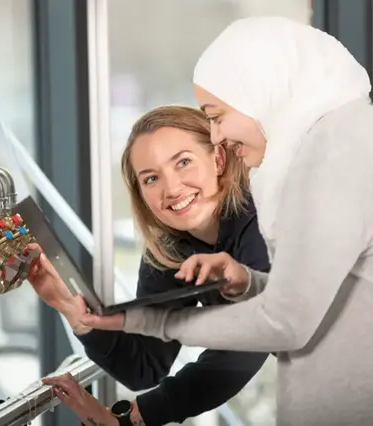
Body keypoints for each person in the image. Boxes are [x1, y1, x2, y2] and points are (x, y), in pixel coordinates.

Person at [78, 16, 373, 426]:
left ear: (261, 94)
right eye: (151, 178)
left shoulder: (333, 157)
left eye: (217, 116)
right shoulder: (323, 151)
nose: (217, 137)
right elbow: (306, 304)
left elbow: (282, 324)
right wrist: (245, 283)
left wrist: (146, 326)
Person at [27, 105, 271, 426]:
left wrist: (129, 419)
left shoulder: (265, 217)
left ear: (218, 159)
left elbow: (245, 344)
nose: (171, 189)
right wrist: (75, 313)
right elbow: (144, 365)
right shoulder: (171, 248)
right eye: (151, 178)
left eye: (183, 162)